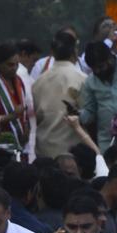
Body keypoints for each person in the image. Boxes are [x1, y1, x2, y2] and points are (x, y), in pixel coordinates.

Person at [33, 29, 85, 159]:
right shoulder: (82, 79)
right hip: (73, 153)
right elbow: (87, 117)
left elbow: (35, 117)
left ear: (53, 53)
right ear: (75, 51)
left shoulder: (39, 81)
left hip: (44, 150)